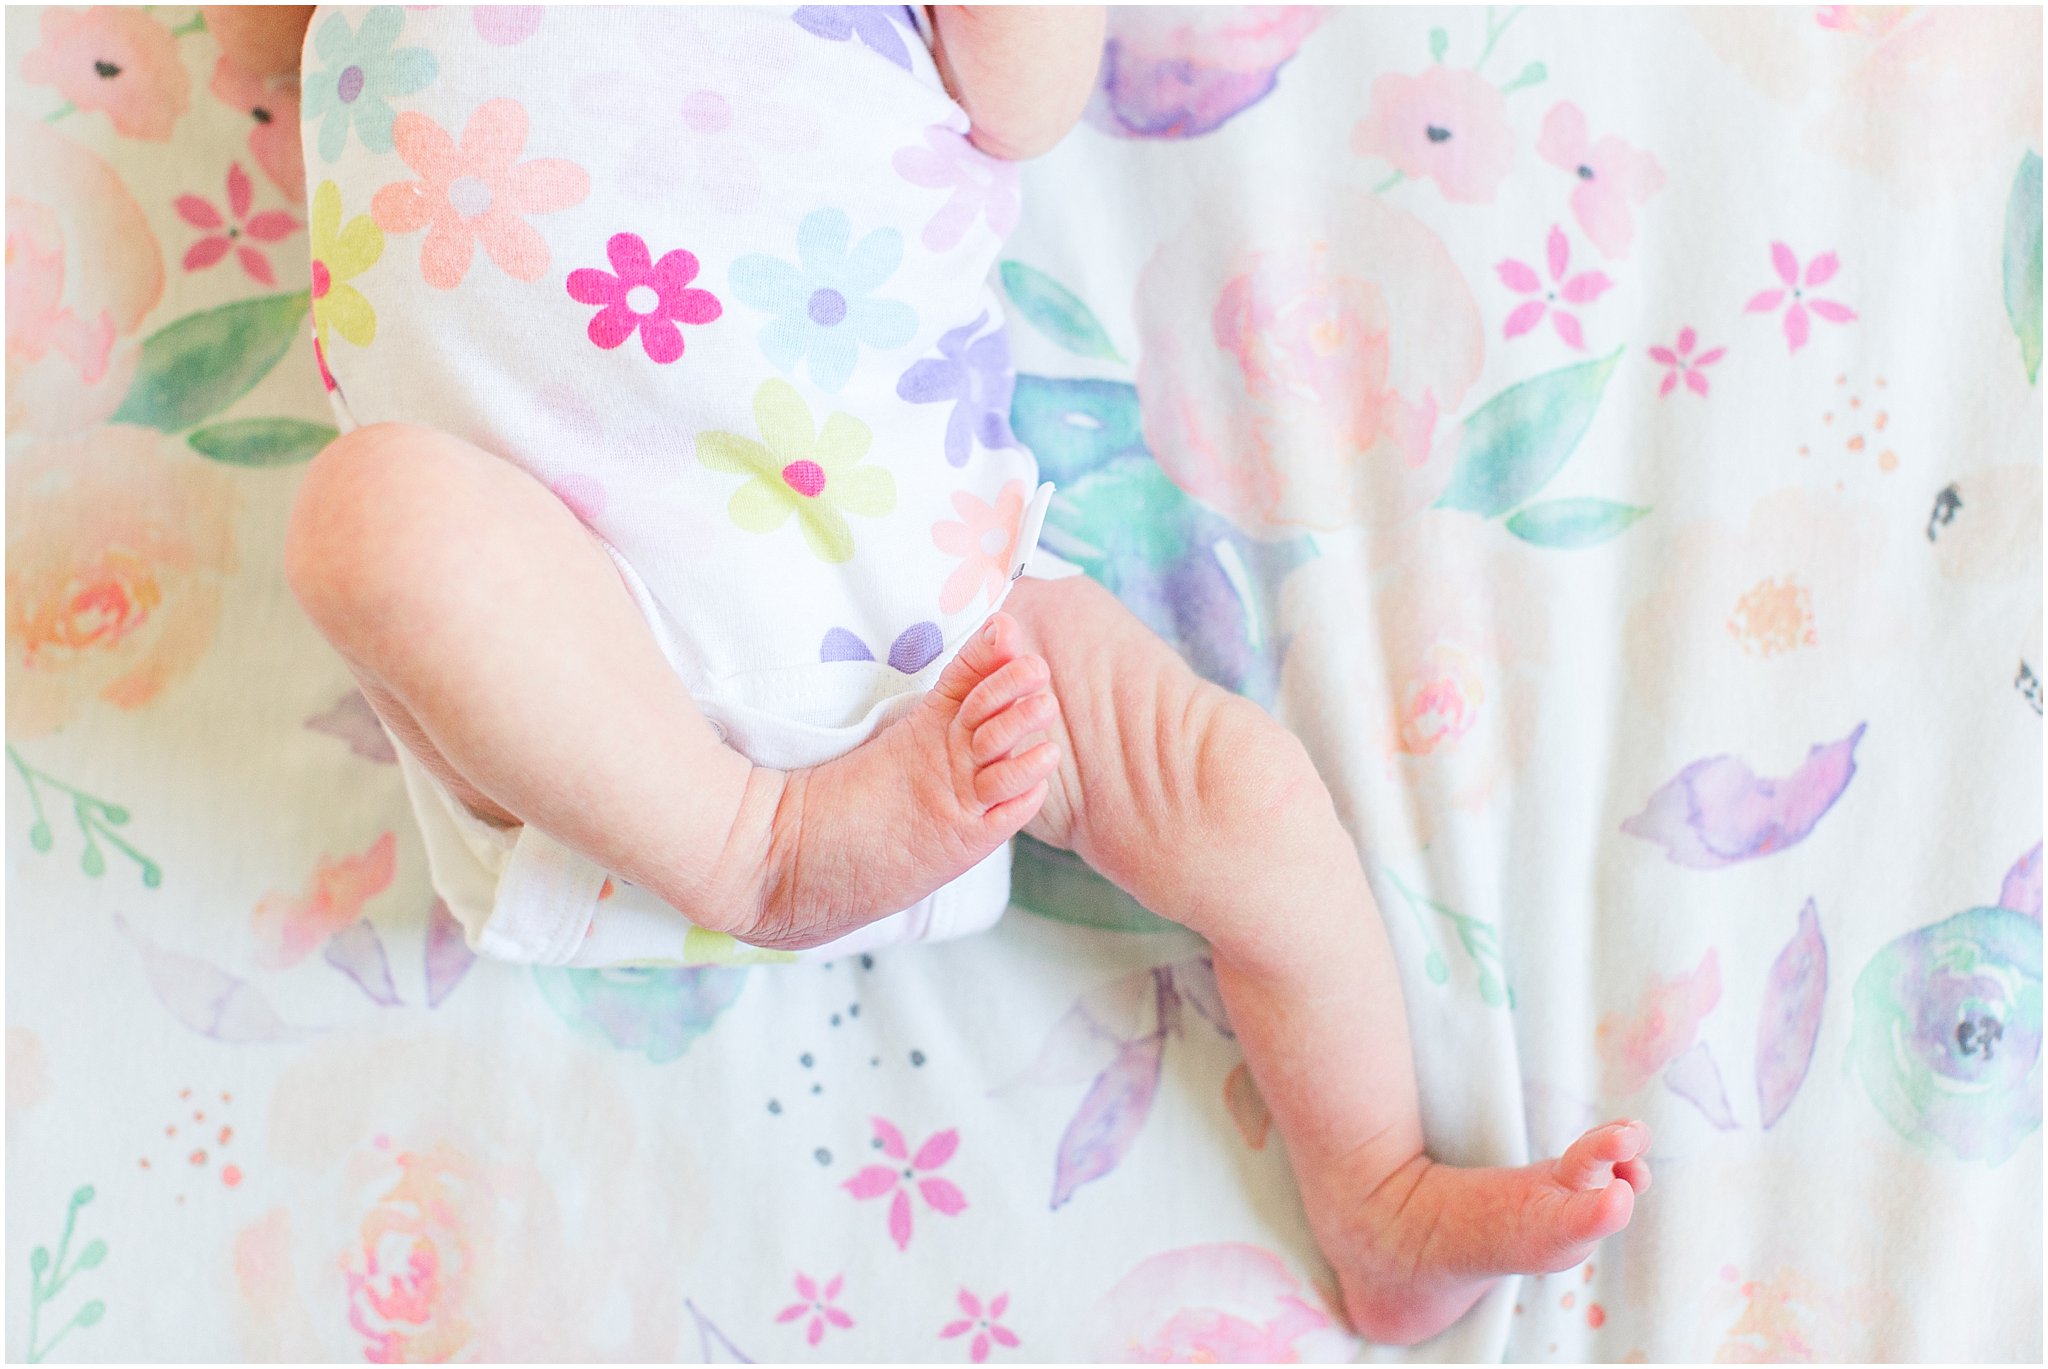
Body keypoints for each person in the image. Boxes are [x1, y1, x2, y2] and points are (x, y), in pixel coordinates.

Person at [209, 4, 1651, 1343]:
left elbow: (1025, 100)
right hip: (571, 684)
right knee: (367, 523)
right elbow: (258, 43)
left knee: (1244, 795)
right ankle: (757, 850)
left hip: (938, 634)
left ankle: (1380, 1196)